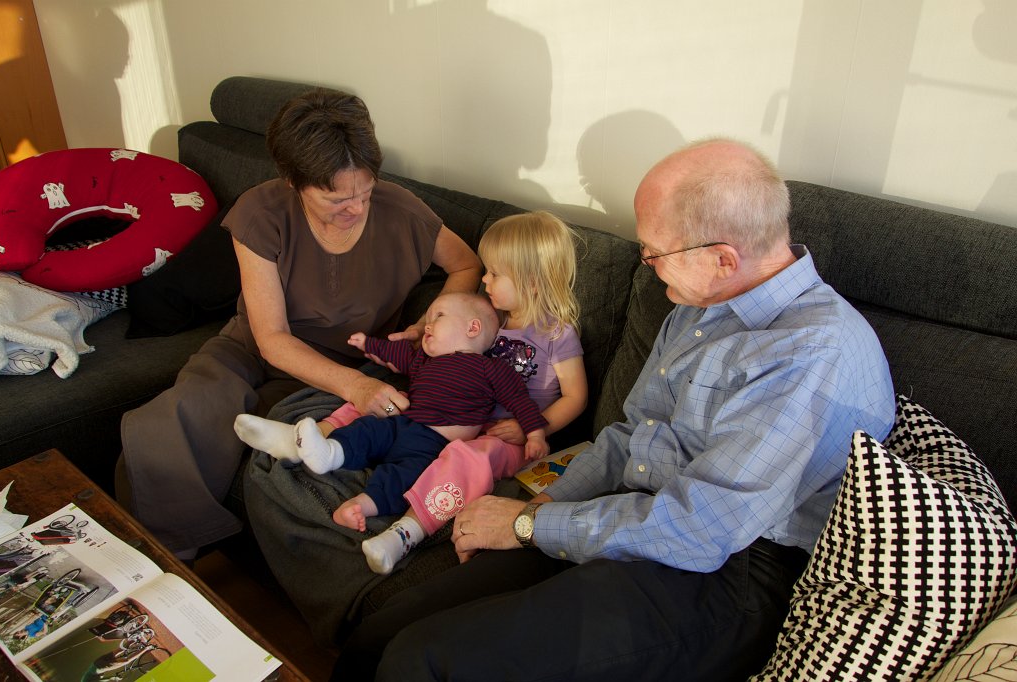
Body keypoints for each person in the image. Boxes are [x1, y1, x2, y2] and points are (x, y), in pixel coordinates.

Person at [330, 138, 897, 681]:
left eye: (655, 252)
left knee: (423, 663)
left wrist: (527, 524)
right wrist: (547, 502)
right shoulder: (699, 306)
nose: (645, 262)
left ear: (723, 259)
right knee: (379, 635)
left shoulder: (807, 353)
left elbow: (702, 528)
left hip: (729, 567)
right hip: (639, 511)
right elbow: (630, 434)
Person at [115, 88, 481, 560]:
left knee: (282, 446)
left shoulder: (403, 211)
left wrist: (427, 323)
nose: (357, 209)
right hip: (253, 347)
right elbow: (271, 337)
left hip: (345, 363)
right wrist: (357, 389)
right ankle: (158, 565)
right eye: (336, 199)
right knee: (173, 420)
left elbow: (466, 265)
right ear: (293, 181)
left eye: (366, 192)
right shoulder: (261, 213)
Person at [238, 211, 587, 574]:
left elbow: (576, 398)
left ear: (532, 282)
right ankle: (306, 440)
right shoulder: (490, 320)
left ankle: (407, 530)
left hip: (508, 438)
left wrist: (533, 430)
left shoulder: (556, 335)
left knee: (471, 458)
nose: (484, 279)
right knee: (381, 397)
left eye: (495, 274)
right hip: (447, 413)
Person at [236, 291, 550, 531]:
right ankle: (328, 452)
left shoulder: (492, 370)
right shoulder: (424, 359)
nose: (427, 325)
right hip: (400, 423)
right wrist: (369, 345)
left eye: (438, 317)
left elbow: (520, 401)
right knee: (367, 428)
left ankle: (362, 507)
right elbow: (397, 355)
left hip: (434, 446)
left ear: (472, 327)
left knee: (402, 477)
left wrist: (535, 435)